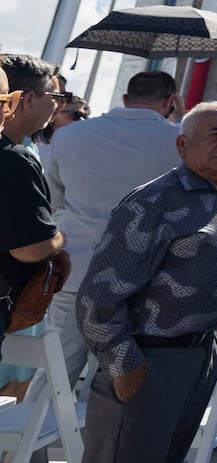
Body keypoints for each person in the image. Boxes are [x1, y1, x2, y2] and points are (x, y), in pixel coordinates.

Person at [61, 103, 217, 463]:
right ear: (183, 145)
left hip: (199, 355)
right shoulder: (154, 201)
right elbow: (98, 297)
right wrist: (125, 364)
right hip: (149, 362)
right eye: (215, 134)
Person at [42, 69, 180, 382]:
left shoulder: (70, 135)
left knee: (57, 372)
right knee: (115, 377)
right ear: (169, 101)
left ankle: (37, 429)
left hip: (77, 264)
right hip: (142, 273)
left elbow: (54, 196)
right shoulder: (179, 141)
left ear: (126, 99)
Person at [0, 57, 67, 356]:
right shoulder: (14, 159)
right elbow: (31, 248)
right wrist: (57, 238)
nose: (58, 106)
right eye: (54, 97)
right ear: (23, 100)